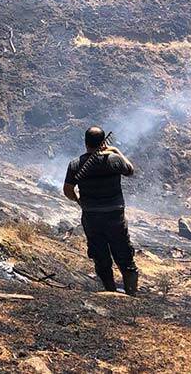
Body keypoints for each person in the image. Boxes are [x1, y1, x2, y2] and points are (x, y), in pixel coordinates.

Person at [63, 126, 139, 296]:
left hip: (91, 217)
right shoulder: (114, 160)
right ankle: (132, 293)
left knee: (100, 254)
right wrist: (115, 150)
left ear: (85, 142)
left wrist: (79, 201)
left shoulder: (76, 164)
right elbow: (130, 170)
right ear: (103, 143)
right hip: (115, 216)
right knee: (124, 254)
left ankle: (109, 290)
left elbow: (68, 189)